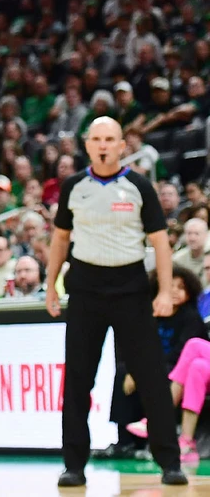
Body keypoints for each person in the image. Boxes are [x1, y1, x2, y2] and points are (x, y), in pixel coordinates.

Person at [46, 116, 188, 487]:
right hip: (85, 288)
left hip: (131, 287)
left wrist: (163, 290)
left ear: (122, 145)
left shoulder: (139, 186)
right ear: (87, 145)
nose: (104, 145)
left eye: (110, 139)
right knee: (78, 380)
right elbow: (60, 239)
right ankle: (74, 465)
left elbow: (160, 242)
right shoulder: (74, 186)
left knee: (151, 377)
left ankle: (169, 462)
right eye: (97, 139)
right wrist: (50, 286)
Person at [114, 266, 208, 462]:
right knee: (196, 367)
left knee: (191, 347)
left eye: (181, 287)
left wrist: (147, 368)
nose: (174, 291)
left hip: (169, 366)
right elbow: (133, 346)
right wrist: (137, 369)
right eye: (170, 286)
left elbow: (178, 354)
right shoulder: (148, 313)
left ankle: (155, 419)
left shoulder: (191, 317)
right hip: (182, 366)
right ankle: (185, 442)